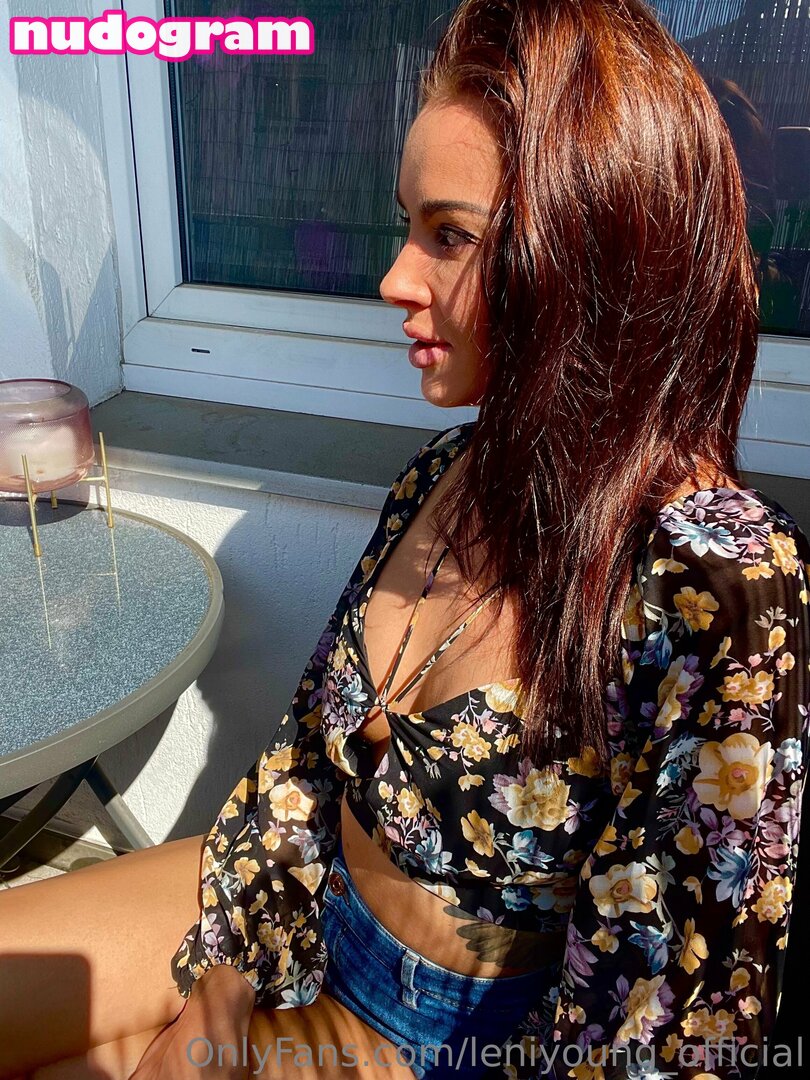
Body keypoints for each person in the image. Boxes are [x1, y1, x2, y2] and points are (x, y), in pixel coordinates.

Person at [2, 1, 809, 1078]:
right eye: (407, 225)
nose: (394, 278)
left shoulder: (719, 581)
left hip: (455, 1040)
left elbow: (666, 1031)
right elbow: (304, 764)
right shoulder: (446, 472)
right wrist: (221, 991)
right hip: (284, 904)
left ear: (592, 249)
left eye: (449, 235)